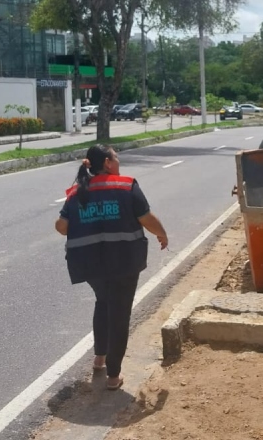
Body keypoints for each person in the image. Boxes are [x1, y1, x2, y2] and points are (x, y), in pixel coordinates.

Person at [55, 145, 169, 390]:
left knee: (103, 302)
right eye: (116, 157)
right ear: (107, 162)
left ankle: (100, 358)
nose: (118, 161)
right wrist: (162, 234)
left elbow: (61, 227)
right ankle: (113, 375)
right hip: (123, 262)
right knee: (119, 313)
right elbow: (146, 218)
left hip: (89, 263)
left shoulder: (77, 191)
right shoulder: (126, 185)